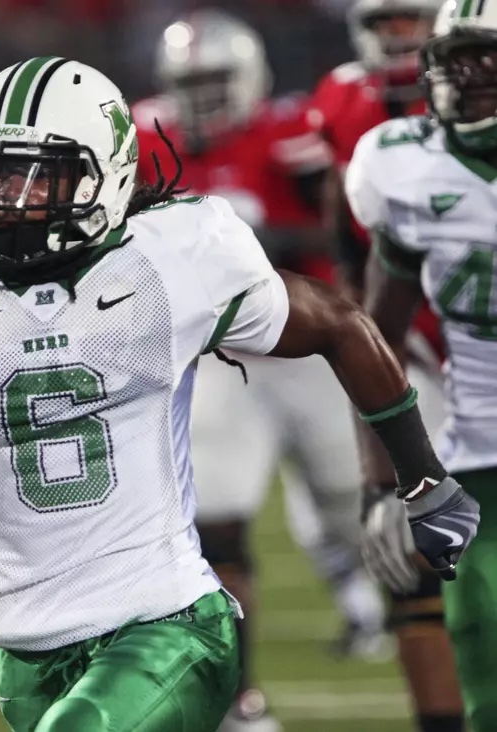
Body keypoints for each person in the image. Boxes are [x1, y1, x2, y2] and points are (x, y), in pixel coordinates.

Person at [0, 56, 478, 732]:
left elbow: (341, 323)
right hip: (24, 646)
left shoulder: (172, 257)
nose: (6, 201)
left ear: (104, 178)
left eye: (37, 179)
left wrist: (421, 477)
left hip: (166, 623)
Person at [137, 10, 381, 728]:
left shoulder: (288, 130)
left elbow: (345, 231)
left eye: (216, 79)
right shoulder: (145, 134)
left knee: (359, 511)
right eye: (191, 82)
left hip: (303, 350)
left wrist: (260, 238)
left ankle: (415, 633)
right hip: (214, 358)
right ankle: (236, 696)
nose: (205, 94)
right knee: (212, 526)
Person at [346, 2, 497, 728]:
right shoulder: (404, 165)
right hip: (480, 463)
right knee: (483, 671)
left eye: (484, 57)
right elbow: (373, 338)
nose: (462, 75)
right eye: (453, 57)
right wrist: (382, 481)